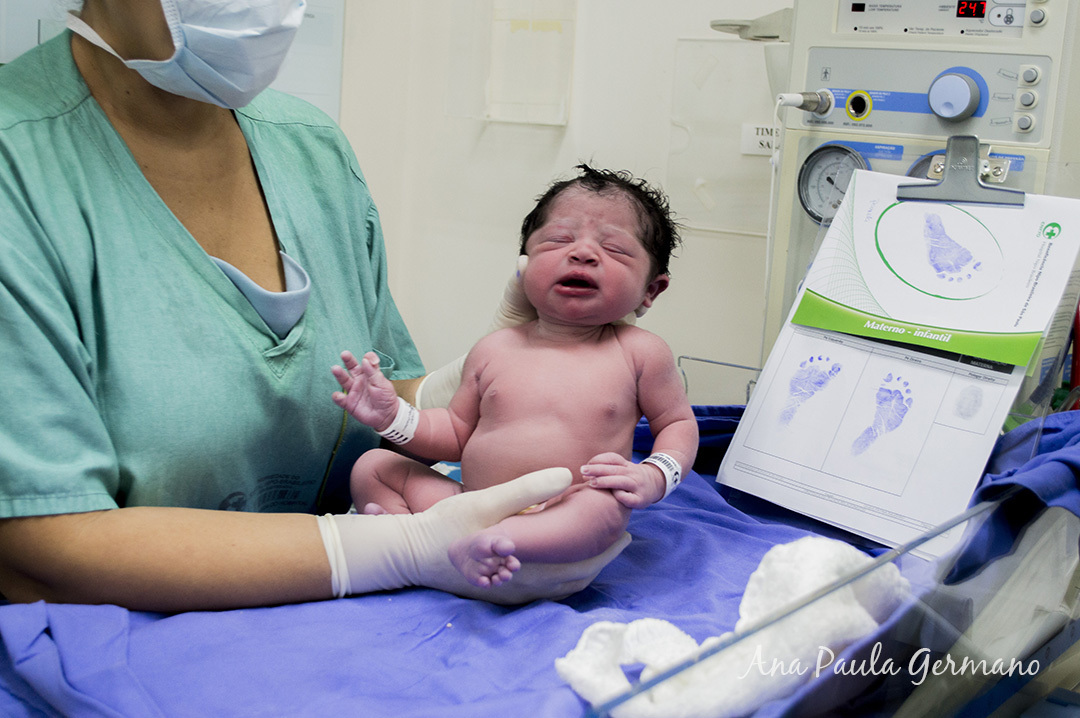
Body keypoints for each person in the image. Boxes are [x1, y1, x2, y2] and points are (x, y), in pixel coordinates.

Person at [0, 0, 630, 612]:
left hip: (352, 627)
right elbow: (39, 540)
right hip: (127, 647)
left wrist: (503, 358)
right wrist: (397, 550)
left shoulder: (311, 148)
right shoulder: (19, 167)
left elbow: (390, 405)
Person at [332, 166, 700, 588]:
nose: (582, 253)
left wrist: (655, 475)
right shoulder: (494, 349)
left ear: (651, 290)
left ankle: (494, 543)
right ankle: (408, 538)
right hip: (469, 503)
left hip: (564, 506)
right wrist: (391, 416)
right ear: (524, 266)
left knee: (605, 508)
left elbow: (677, 423)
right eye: (559, 240)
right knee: (374, 466)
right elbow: (453, 434)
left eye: (614, 248)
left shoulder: (639, 352)